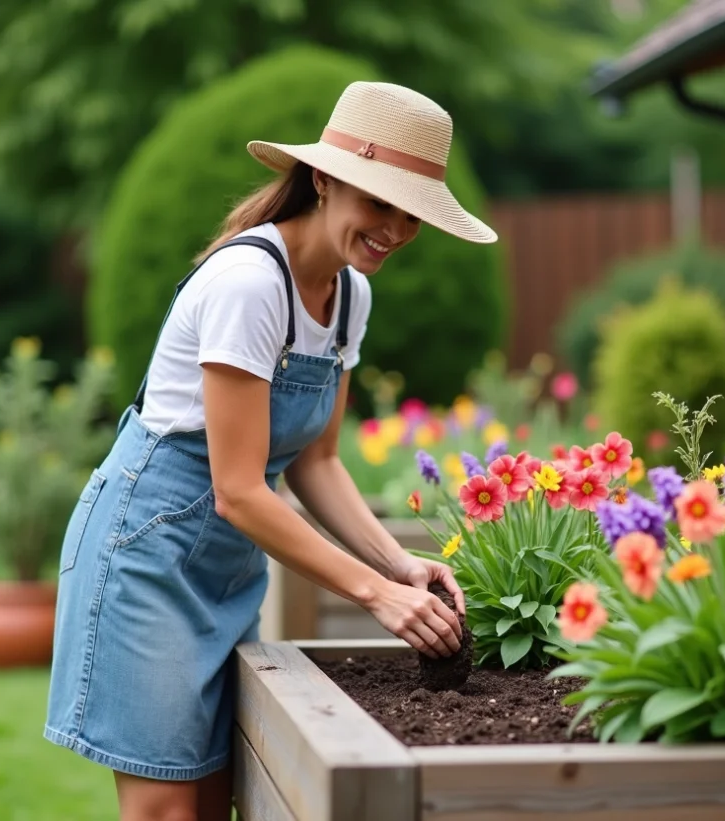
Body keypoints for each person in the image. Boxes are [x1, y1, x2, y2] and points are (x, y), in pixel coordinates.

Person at [44, 80, 499, 821]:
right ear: (322, 178)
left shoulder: (351, 294)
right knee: (166, 810)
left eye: (411, 213)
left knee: (218, 801)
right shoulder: (250, 283)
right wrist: (376, 594)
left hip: (226, 567)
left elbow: (316, 462)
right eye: (379, 202)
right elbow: (240, 489)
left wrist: (401, 564)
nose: (395, 229)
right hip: (146, 557)